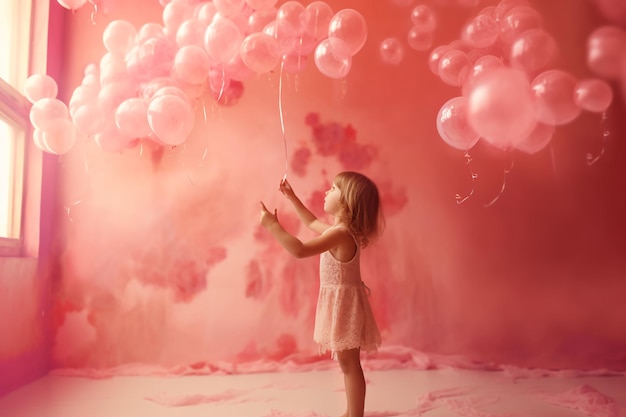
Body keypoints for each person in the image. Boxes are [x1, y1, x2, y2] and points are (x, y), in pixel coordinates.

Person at [259, 171, 383, 417]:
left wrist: (273, 226)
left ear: (347, 201)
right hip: (343, 303)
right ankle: (351, 412)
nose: (327, 191)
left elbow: (300, 249)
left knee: (350, 365)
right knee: (347, 364)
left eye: (334, 189)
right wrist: (292, 198)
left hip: (344, 306)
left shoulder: (340, 234)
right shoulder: (339, 231)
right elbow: (311, 222)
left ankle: (355, 414)